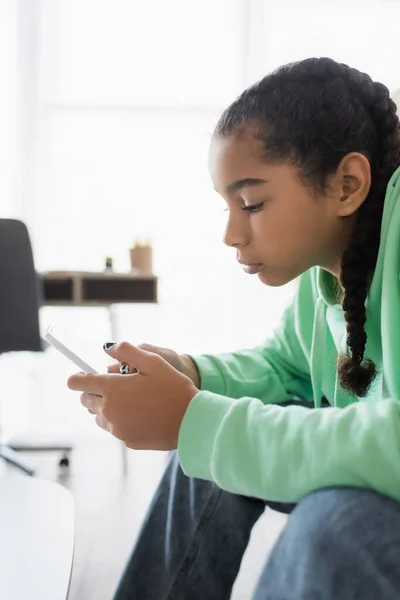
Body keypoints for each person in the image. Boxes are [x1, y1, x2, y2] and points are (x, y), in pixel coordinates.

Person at [68, 57, 400, 599]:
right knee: (203, 447)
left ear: (347, 184)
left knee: (333, 521)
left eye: (251, 203)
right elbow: (282, 368)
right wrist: (192, 376)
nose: (230, 234)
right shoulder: (331, 272)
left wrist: (197, 419)